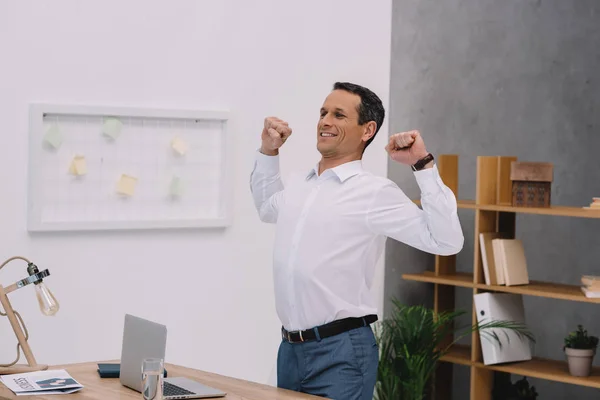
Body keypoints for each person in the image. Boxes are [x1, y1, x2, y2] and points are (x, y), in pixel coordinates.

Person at [249, 82, 464, 399]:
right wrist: (269, 150)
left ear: (368, 130)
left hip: (341, 353)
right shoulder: (300, 183)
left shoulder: (374, 192)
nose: (325, 121)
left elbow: (446, 241)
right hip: (290, 350)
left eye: (338, 115)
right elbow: (267, 208)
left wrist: (423, 164)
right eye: (323, 112)